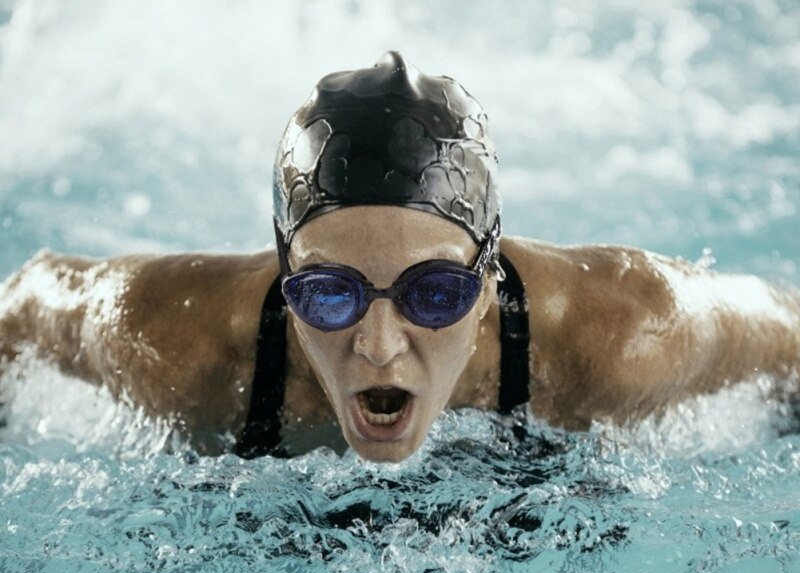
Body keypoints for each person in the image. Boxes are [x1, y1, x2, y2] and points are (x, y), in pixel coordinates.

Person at [1, 52, 799, 463]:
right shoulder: (177, 343)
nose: (379, 345)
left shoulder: (623, 332)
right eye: (329, 294)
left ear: (488, 277)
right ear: (284, 277)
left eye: (435, 292)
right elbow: (30, 300)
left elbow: (788, 334)